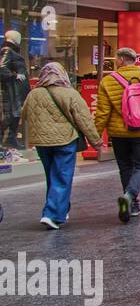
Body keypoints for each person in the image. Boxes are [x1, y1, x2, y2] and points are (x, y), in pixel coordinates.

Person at [19, 62, 101, 229]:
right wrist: (96, 141)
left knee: (52, 176)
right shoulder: (69, 93)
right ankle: (52, 214)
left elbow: (24, 115)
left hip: (42, 142)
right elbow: (83, 119)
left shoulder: (34, 94)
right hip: (65, 140)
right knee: (62, 176)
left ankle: (60, 208)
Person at [96, 47, 140, 224]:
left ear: (120, 60)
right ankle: (130, 196)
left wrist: (95, 135)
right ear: (134, 60)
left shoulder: (108, 81)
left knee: (125, 166)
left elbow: (103, 112)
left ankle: (132, 204)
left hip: (118, 132)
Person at [0, 29, 30, 148]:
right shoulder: (7, 50)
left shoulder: (11, 51)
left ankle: (11, 139)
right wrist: (15, 75)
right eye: (18, 36)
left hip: (15, 90)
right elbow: (2, 67)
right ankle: (8, 140)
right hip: (11, 90)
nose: (19, 39)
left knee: (14, 115)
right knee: (10, 116)